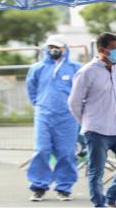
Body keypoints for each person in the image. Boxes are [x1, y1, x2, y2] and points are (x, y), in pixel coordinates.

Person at [68, 32, 116, 208]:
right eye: (115, 49)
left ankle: (111, 197)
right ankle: (99, 204)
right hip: (98, 131)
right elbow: (74, 103)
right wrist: (87, 124)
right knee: (96, 171)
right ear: (101, 49)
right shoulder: (87, 72)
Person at [25, 34, 81, 202]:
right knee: (41, 150)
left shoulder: (75, 67)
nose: (53, 50)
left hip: (67, 117)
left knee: (66, 153)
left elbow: (81, 91)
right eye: (50, 47)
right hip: (43, 114)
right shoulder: (37, 68)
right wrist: (39, 104)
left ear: (65, 49)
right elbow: (31, 88)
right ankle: (39, 187)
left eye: (57, 47)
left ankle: (64, 188)